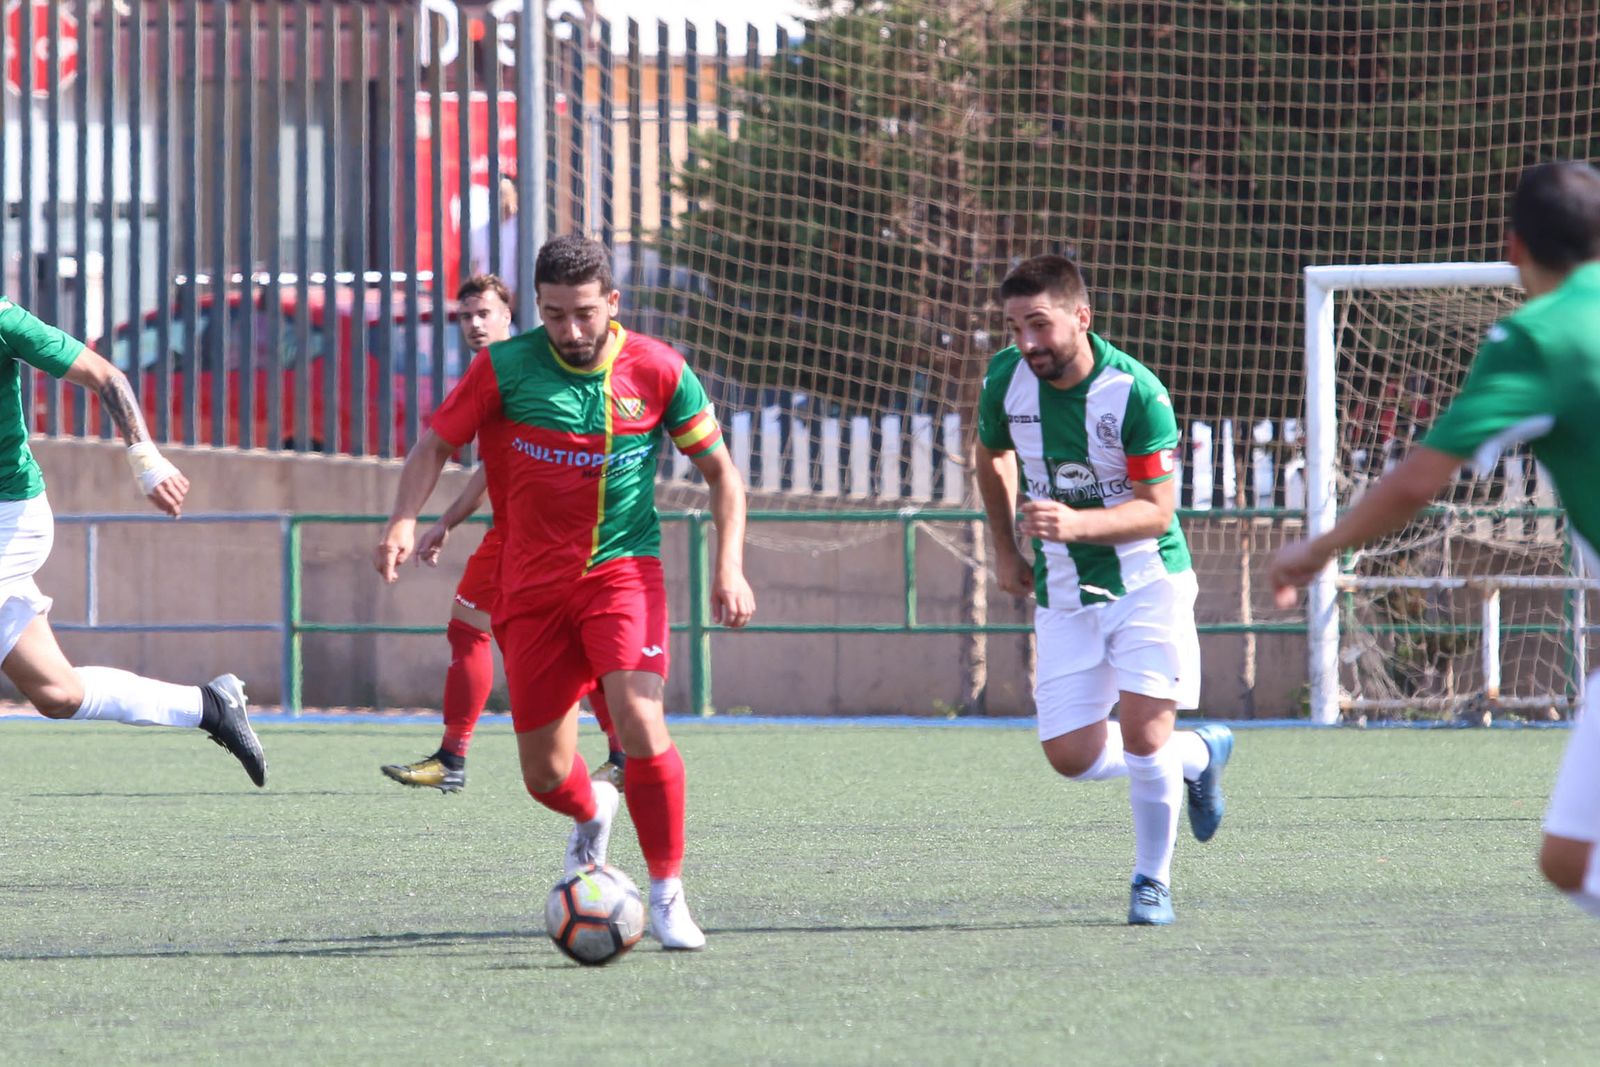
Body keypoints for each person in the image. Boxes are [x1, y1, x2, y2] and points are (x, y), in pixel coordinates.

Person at [374, 235, 754, 949]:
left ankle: (667, 893)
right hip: (530, 590)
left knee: (639, 722)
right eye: (554, 315)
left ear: (612, 302)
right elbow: (434, 446)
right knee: (546, 776)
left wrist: (728, 568)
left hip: (623, 572)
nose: (571, 331)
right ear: (538, 309)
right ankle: (592, 811)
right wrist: (404, 519)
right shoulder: (504, 368)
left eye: (584, 314)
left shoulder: (659, 368)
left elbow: (723, 476)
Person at [1270, 160, 1600, 920]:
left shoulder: (1537, 337)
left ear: (1513, 247)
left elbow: (1417, 482)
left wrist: (1315, 550)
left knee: (1574, 859)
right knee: (1571, 858)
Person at [974, 254, 1233, 926]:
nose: (1027, 342)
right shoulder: (1005, 377)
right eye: (1015, 327)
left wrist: (1076, 522)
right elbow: (991, 453)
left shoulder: (1136, 392)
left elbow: (1157, 511)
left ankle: (1152, 881)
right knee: (1071, 756)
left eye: (1039, 324)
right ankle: (1199, 752)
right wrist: (1004, 547)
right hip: (1063, 591)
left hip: (1146, 582)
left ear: (1081, 317)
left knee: (1145, 737)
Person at [0, 296, 265, 786]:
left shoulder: (2, 318)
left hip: (10, 518)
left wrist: (147, 460)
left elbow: (105, 375)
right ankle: (209, 706)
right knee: (58, 694)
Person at [380, 274, 626, 793]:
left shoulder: (517, 365)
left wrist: (425, 520)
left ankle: (458, 756)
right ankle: (458, 756)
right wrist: (446, 520)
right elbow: (492, 466)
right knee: (481, 630)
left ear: (509, 316)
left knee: (535, 638)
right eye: (465, 316)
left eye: (484, 314)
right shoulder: (502, 368)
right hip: (518, 535)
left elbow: (464, 453)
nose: (474, 324)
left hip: (541, 538)